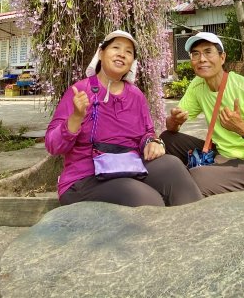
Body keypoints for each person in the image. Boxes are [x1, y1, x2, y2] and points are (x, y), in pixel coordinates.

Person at [45, 30, 202, 207]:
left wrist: (152, 142)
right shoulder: (81, 90)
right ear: (101, 53)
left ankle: (195, 228)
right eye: (116, 47)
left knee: (172, 167)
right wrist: (75, 117)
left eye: (128, 51)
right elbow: (53, 146)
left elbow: (146, 133)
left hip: (128, 166)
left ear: (132, 63)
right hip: (85, 178)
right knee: (147, 199)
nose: (122, 54)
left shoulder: (136, 96)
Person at [161, 32, 244, 196]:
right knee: (167, 139)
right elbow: (171, 127)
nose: (202, 59)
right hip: (220, 153)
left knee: (195, 178)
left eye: (208, 52)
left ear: (222, 57)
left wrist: (243, 129)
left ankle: (190, 182)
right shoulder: (198, 84)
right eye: (195, 54)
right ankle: (182, 179)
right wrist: (174, 120)